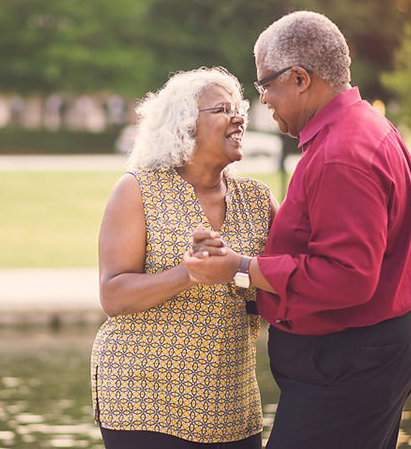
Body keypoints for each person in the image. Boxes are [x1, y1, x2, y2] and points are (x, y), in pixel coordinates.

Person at [183, 11, 411, 448]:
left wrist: (239, 268)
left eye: (266, 84)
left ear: (300, 78)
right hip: (374, 345)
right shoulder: (363, 126)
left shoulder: (341, 153)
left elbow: (347, 276)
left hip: (351, 357)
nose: (262, 98)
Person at [90, 66, 278, 449]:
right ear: (183, 126)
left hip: (231, 404)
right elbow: (113, 296)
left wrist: (240, 272)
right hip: (144, 401)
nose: (239, 117)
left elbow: (281, 284)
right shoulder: (138, 189)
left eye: (238, 107)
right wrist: (188, 274)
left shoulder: (258, 200)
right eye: (222, 109)